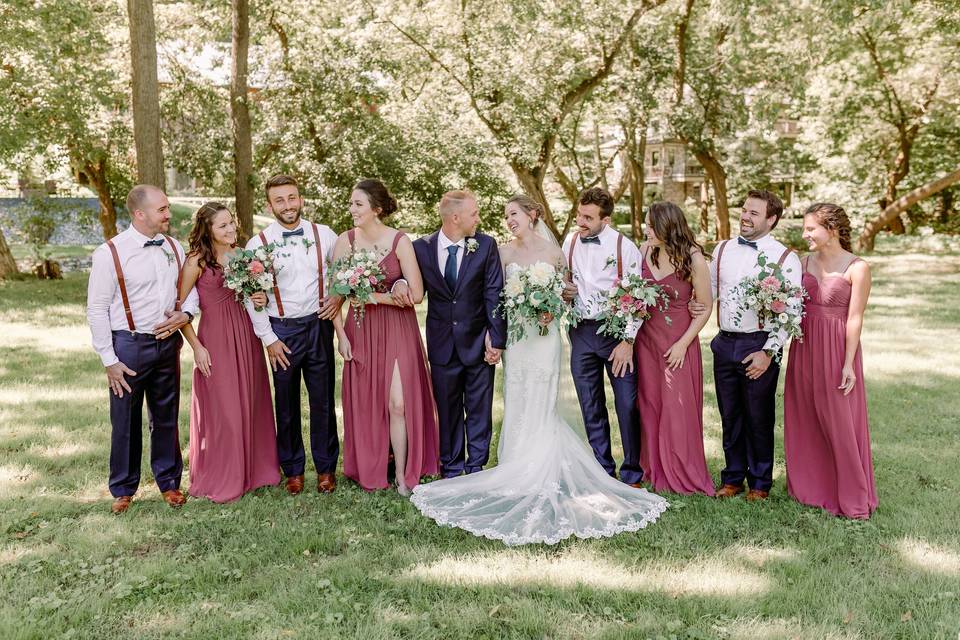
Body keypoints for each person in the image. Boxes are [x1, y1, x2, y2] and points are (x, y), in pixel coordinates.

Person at [410, 195, 668, 545]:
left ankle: (549, 464)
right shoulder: (499, 252)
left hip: (545, 338)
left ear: (532, 215)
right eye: (505, 216)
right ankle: (515, 461)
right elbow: (494, 295)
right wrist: (498, 332)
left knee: (543, 398)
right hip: (517, 340)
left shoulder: (555, 251)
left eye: (513, 214)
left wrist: (553, 308)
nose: (507, 221)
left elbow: (567, 293)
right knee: (516, 396)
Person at [86, 184, 199, 514]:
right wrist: (109, 359)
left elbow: (189, 293)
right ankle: (123, 489)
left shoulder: (175, 248)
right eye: (162, 209)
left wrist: (186, 314)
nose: (168, 213)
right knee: (124, 420)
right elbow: (97, 309)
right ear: (140, 214)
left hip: (167, 345)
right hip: (128, 346)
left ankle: (169, 483)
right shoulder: (110, 253)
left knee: (166, 417)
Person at [333, 179, 439, 495]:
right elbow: (336, 296)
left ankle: (404, 476)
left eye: (358, 204)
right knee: (368, 403)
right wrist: (341, 336)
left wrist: (377, 296)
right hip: (361, 330)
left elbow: (417, 294)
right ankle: (373, 466)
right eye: (351, 203)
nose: (352, 209)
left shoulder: (400, 242)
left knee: (398, 403)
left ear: (376, 209)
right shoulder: (345, 242)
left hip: (398, 329)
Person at [245, 175, 340, 495]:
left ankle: (326, 468)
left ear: (301, 198)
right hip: (281, 330)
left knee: (323, 401)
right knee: (285, 403)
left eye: (292, 198)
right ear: (270, 205)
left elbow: (344, 270)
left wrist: (337, 296)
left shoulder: (324, 234)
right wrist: (268, 338)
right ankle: (294, 470)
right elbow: (251, 295)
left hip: (318, 325)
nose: (288, 205)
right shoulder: (258, 244)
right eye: (280, 200)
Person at [178, 203, 280, 503]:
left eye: (231, 223)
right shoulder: (196, 261)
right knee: (225, 409)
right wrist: (196, 347)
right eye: (222, 226)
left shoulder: (242, 256)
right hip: (216, 339)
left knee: (250, 401)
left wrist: (260, 298)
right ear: (208, 229)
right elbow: (180, 309)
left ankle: (256, 471)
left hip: (246, 335)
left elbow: (254, 301)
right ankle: (224, 473)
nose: (231, 229)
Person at [400, 190, 506, 478]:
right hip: (442, 343)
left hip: (478, 341)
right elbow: (405, 276)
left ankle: (476, 467)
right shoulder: (421, 248)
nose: (478, 218)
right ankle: (451, 464)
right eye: (474, 213)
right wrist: (399, 282)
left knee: (479, 408)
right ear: (455, 217)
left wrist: (496, 338)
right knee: (446, 409)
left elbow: (494, 293)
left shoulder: (485, 245)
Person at [784, 203, 877, 518]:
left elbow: (855, 319)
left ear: (832, 229)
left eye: (811, 228)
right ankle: (812, 487)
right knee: (805, 414)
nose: (805, 234)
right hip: (805, 345)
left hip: (837, 349)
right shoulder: (801, 262)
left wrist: (849, 362)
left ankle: (851, 493)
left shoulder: (857, 267)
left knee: (839, 421)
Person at [709, 189, 802, 501]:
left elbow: (791, 311)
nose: (745, 217)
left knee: (758, 416)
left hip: (760, 344)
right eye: (744, 210)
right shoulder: (722, 250)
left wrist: (769, 351)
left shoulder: (784, 258)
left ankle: (760, 483)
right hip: (724, 343)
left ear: (771, 219)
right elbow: (707, 292)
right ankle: (732, 478)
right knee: (730, 415)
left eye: (754, 213)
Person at [562, 187, 644, 487]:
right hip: (581, 331)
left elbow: (637, 298)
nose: (580, 222)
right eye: (579, 215)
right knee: (590, 402)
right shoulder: (569, 242)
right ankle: (602, 470)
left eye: (588, 218)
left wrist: (628, 341)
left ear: (605, 220)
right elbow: (564, 283)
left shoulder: (626, 247)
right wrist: (565, 292)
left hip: (616, 334)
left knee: (627, 403)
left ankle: (633, 472)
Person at [635, 202, 714, 495]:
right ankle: (652, 467)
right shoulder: (645, 250)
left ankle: (681, 470)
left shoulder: (693, 258)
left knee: (678, 408)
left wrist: (683, 344)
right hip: (646, 339)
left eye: (651, 226)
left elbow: (705, 307)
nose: (646, 230)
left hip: (678, 341)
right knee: (650, 404)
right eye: (645, 224)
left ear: (668, 226)